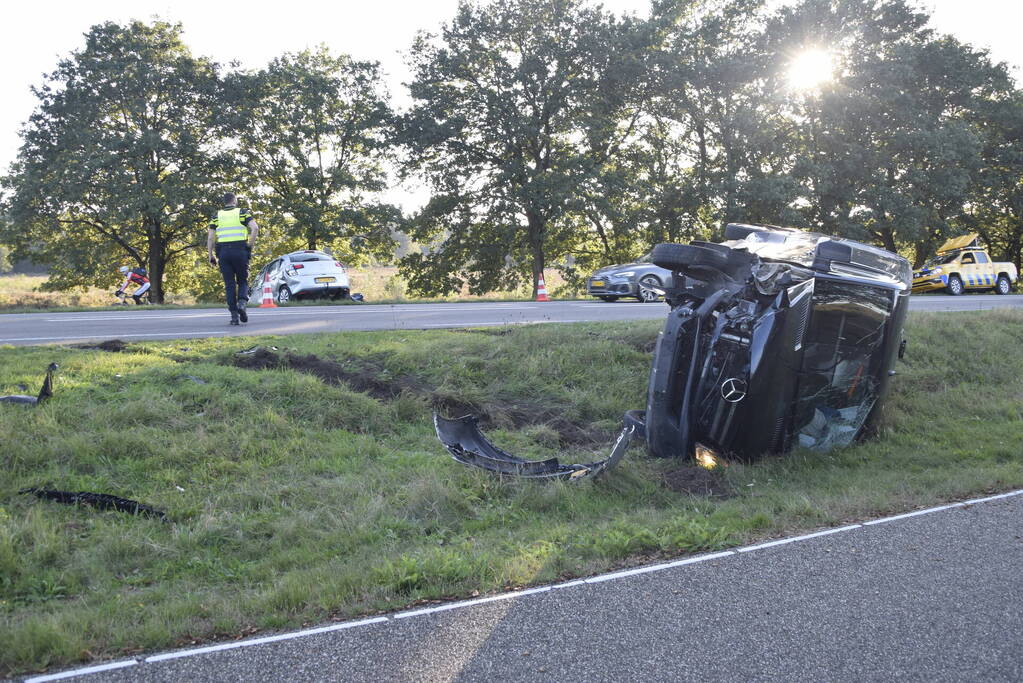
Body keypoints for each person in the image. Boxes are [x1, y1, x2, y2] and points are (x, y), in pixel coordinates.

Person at [207, 192, 259, 325]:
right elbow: (255, 228)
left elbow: (211, 237)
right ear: (234, 200)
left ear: (224, 202)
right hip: (240, 250)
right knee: (243, 280)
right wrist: (249, 246)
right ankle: (242, 303)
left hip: (223, 252)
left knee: (229, 284)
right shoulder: (242, 212)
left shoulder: (216, 215)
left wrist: (210, 255)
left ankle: (234, 317)